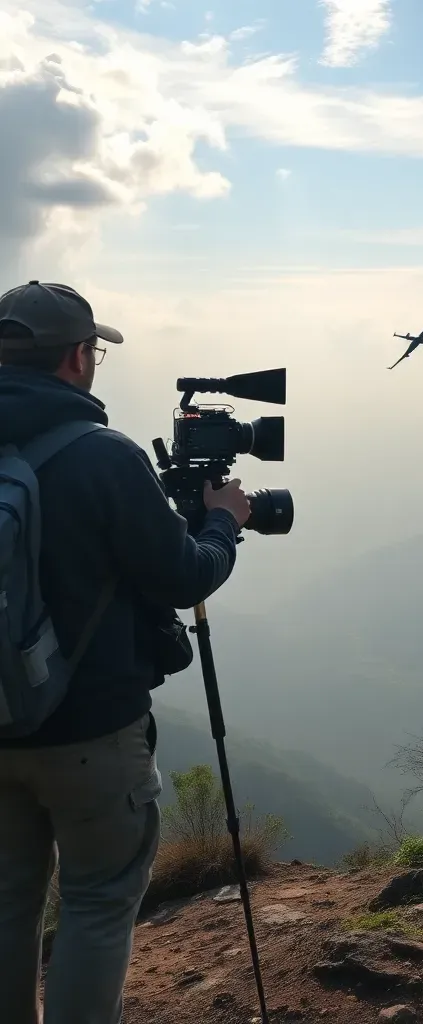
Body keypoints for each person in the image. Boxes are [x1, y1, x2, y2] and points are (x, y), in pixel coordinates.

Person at [0, 281, 252, 1024]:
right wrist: (223, 522)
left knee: (9, 904)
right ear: (78, 358)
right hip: (91, 733)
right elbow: (183, 577)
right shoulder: (103, 456)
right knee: (98, 905)